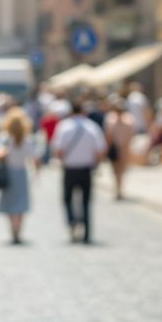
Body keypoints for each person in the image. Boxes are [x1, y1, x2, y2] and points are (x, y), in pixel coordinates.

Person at [51, 101, 107, 243]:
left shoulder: (64, 127)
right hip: (86, 169)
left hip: (69, 168)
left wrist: (63, 159)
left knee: (67, 199)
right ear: (83, 111)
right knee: (86, 202)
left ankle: (72, 222)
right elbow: (100, 149)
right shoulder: (92, 127)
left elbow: (57, 149)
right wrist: (97, 164)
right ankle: (87, 232)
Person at [0, 107, 36, 244]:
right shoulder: (27, 139)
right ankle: (18, 230)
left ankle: (13, 229)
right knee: (20, 204)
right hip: (21, 173)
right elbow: (32, 157)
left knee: (10, 203)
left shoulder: (4, 137)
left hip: (9, 172)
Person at [103, 96, 136, 201]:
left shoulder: (129, 119)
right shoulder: (110, 119)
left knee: (122, 169)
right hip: (114, 148)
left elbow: (131, 135)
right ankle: (118, 189)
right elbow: (108, 136)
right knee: (115, 169)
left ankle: (120, 189)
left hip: (125, 148)